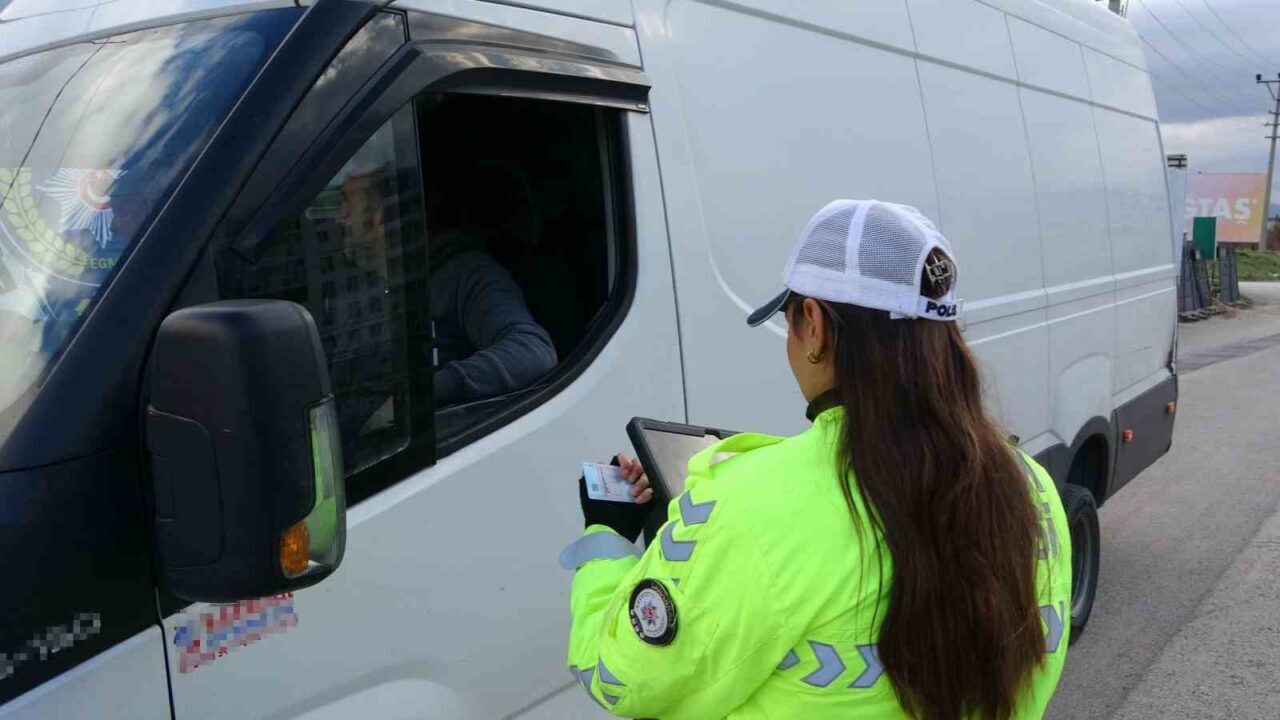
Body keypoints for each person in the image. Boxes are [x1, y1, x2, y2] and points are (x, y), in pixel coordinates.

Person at [559, 200, 1072, 719]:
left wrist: (607, 538)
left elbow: (620, 677)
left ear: (814, 324)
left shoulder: (750, 506)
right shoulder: (1031, 486)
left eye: (788, 321)